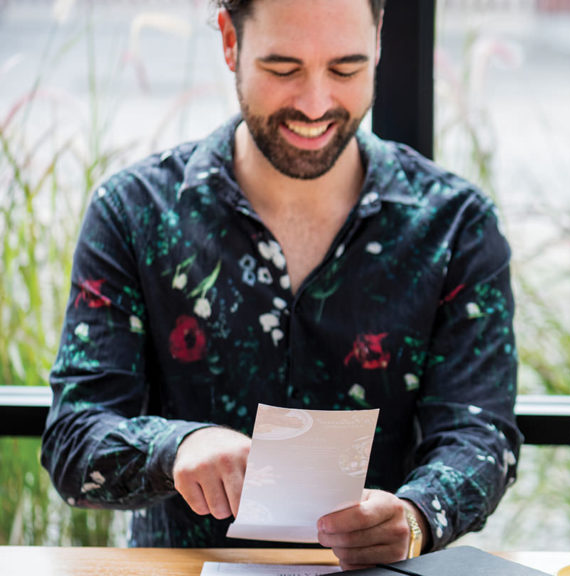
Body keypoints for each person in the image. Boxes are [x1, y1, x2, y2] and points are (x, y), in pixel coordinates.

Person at [40, 0, 521, 569]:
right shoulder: (133, 211)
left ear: (380, 39)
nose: (316, 104)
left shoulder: (456, 225)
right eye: (283, 69)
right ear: (229, 42)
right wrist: (178, 448)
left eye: (345, 69)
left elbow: (479, 434)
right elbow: (75, 437)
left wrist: (416, 515)